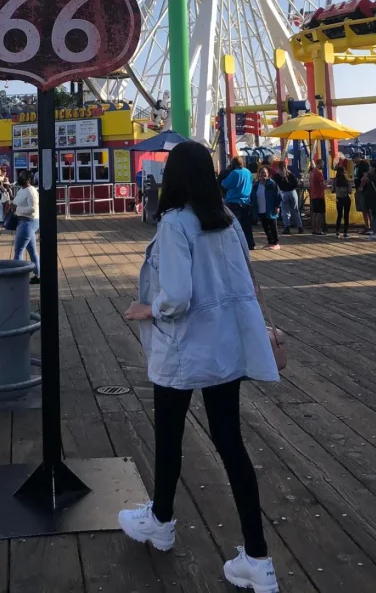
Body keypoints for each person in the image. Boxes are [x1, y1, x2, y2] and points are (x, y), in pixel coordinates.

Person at [118, 142, 280, 591]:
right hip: (225, 348)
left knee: (169, 438)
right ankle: (258, 559)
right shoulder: (225, 220)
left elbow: (176, 297)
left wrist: (144, 309)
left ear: (173, 178)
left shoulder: (175, 224)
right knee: (232, 445)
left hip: (185, 348)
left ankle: (162, 520)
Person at [10, 170, 40, 282]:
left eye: (23, 177)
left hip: (28, 221)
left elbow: (32, 209)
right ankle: (38, 275)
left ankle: (18, 277)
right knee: (32, 250)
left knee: (18, 250)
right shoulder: (22, 190)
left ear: (29, 180)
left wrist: (17, 209)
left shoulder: (31, 191)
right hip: (23, 221)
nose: (20, 178)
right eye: (20, 176)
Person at [220, 157, 255, 251]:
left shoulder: (234, 173)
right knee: (247, 225)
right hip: (246, 201)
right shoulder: (247, 172)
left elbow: (224, 184)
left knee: (235, 225)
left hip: (234, 201)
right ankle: (250, 243)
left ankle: (237, 244)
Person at [250, 166, 281, 250]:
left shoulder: (272, 184)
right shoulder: (256, 184)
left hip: (270, 208)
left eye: (265, 172)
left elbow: (278, 195)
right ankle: (270, 241)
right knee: (265, 226)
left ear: (268, 174)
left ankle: (276, 242)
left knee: (273, 226)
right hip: (260, 208)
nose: (263, 174)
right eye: (261, 172)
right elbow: (252, 195)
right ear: (258, 174)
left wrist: (277, 206)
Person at [273, 161, 301, 235]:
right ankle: (299, 226)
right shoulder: (290, 173)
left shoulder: (277, 175)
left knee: (285, 211)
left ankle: (287, 227)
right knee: (296, 210)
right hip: (292, 192)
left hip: (283, 193)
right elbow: (295, 184)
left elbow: (275, 185)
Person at [361, 163, 376, 240]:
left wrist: (366, 175)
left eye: (370, 167)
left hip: (373, 198)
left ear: (374, 168)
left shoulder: (372, 177)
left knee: (374, 215)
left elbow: (362, 179)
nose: (369, 168)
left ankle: (375, 232)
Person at [332, 165, 352, 239]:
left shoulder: (335, 180)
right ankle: (345, 233)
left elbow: (332, 190)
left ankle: (337, 232)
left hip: (338, 199)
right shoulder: (347, 180)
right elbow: (350, 191)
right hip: (346, 198)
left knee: (339, 215)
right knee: (346, 216)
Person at [308, 161, 327, 236]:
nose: (323, 166)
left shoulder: (312, 172)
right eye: (322, 164)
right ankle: (318, 230)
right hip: (319, 195)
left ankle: (314, 229)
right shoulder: (319, 173)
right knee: (320, 213)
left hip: (313, 194)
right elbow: (322, 184)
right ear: (319, 164)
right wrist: (327, 184)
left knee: (315, 213)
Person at [354, 156, 372, 233]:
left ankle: (370, 226)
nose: (353, 160)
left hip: (365, 190)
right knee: (363, 209)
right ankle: (367, 225)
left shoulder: (364, 164)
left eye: (354, 157)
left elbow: (366, 176)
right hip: (359, 189)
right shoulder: (356, 166)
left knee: (366, 209)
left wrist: (361, 186)